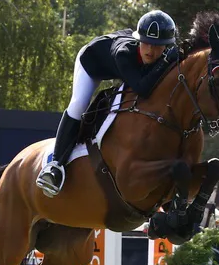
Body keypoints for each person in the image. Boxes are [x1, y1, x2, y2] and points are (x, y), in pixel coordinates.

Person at [36, 10, 181, 197]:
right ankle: (55, 165)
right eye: (146, 43)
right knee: (79, 104)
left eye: (157, 46)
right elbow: (142, 88)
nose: (151, 51)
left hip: (119, 66)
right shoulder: (124, 53)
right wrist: (166, 60)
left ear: (166, 46)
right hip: (92, 63)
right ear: (139, 40)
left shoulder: (162, 55)